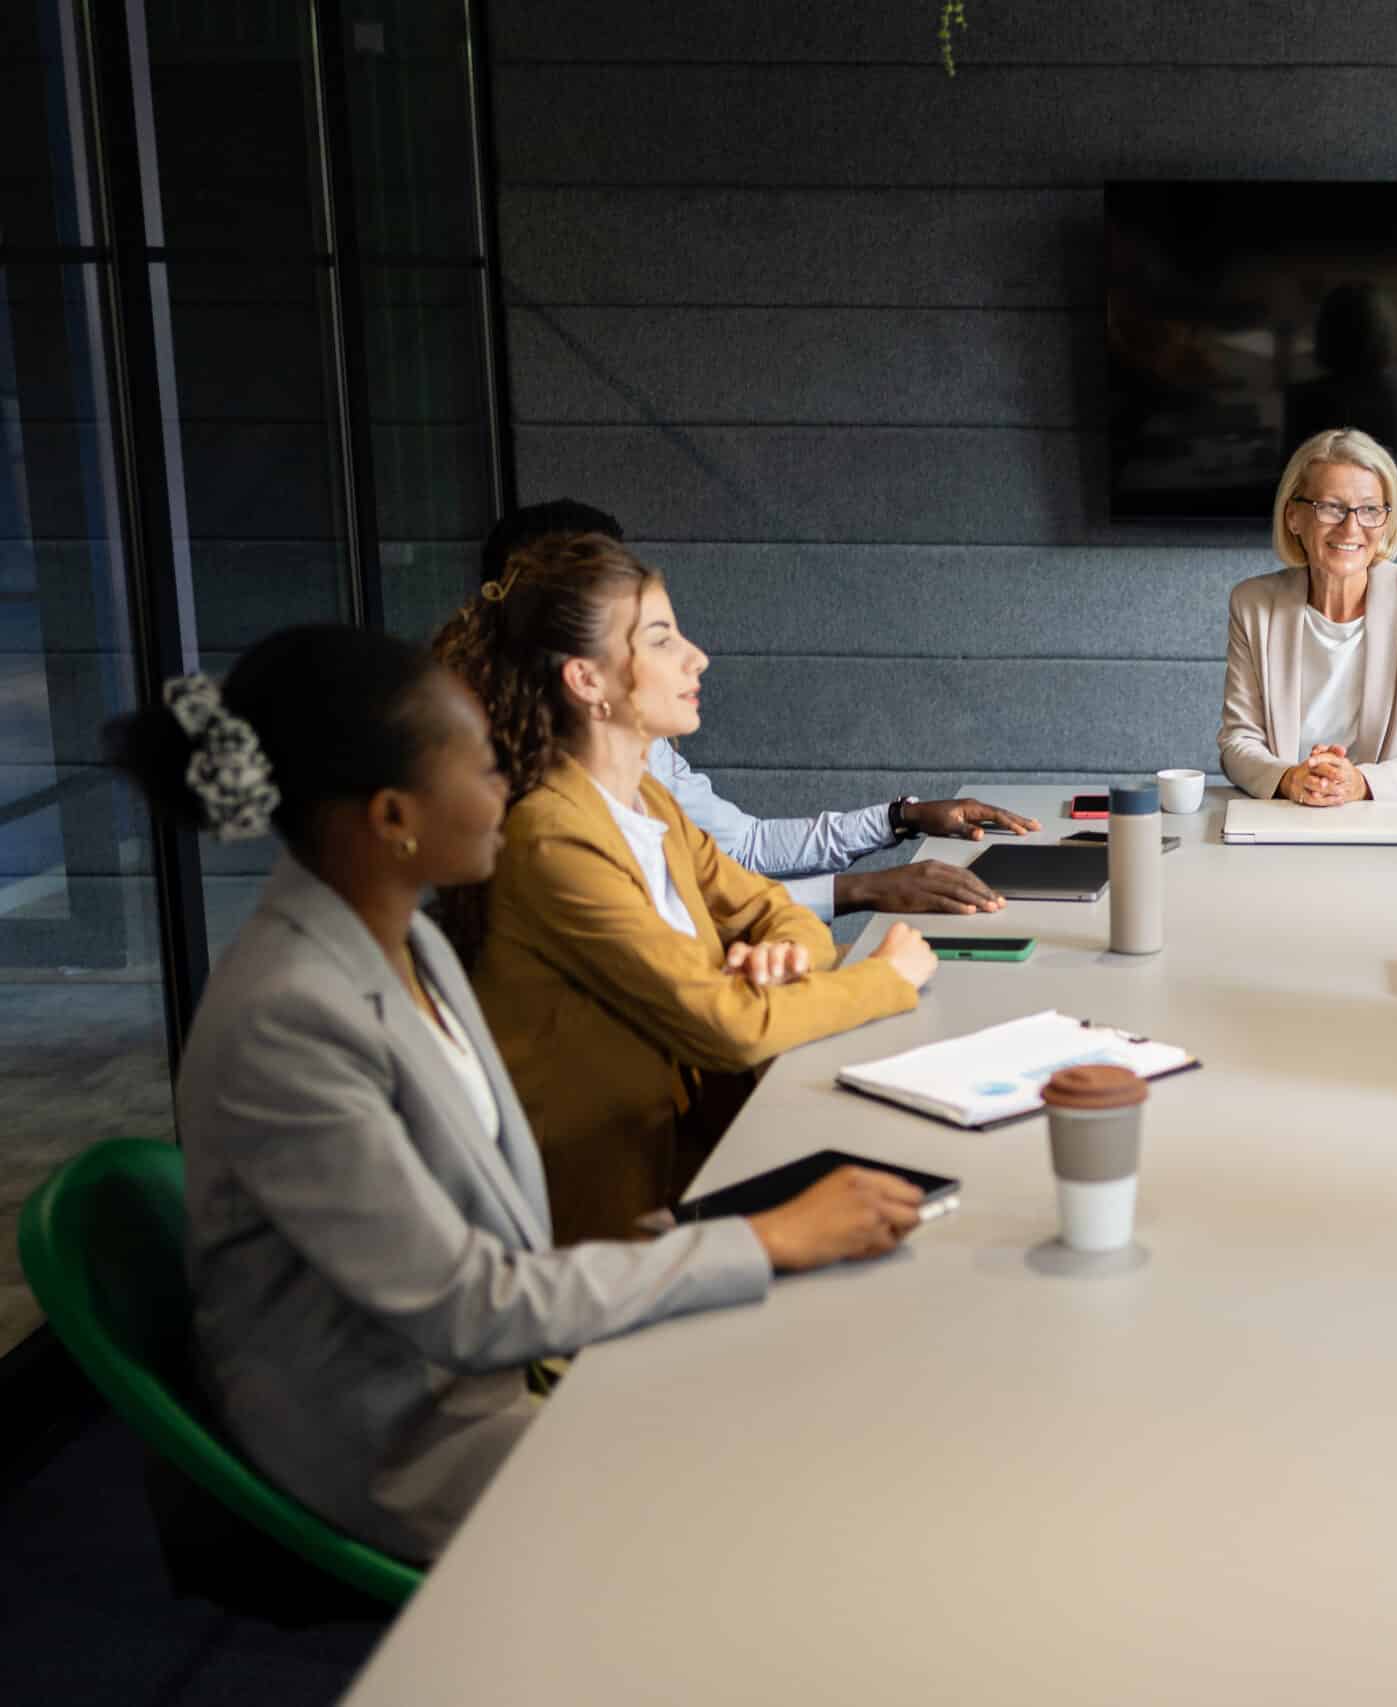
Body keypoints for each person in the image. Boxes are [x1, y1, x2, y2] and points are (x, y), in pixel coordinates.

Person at [114, 625, 930, 1562]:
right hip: (407, 1443)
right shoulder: (287, 1015)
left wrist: (712, 1244)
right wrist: (760, 1239)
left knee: (823, 1374)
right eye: (481, 763)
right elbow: (466, 1301)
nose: (510, 782)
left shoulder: (406, 940)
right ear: (392, 817)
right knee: (805, 1483)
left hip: (492, 1364)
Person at [434, 532, 939, 1244]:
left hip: (702, 1172)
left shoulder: (646, 799)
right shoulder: (552, 836)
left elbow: (775, 910)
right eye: (662, 639)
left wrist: (781, 958)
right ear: (588, 681)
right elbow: (728, 1027)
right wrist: (889, 977)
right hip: (611, 1232)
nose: (696, 657)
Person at [481, 500, 1038, 918]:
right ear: (581, 666)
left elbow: (737, 856)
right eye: (656, 637)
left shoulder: (642, 772)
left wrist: (899, 818)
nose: (698, 658)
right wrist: (864, 893)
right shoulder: (545, 810)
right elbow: (685, 926)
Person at [1218, 427, 1397, 805]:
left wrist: (1360, 783)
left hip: (1384, 820)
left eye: (1369, 509)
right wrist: (1288, 778)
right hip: (1285, 814)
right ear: (1293, 517)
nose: (1351, 528)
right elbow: (1238, 742)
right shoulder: (1254, 604)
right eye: (1331, 507)